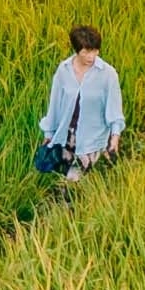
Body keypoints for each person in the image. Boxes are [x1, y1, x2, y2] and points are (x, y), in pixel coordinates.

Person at [40, 24, 124, 182]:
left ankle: (69, 200)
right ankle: (71, 200)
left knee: (73, 178)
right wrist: (49, 134)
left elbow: (115, 109)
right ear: (77, 50)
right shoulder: (63, 70)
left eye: (95, 51)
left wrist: (114, 139)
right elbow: (55, 105)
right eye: (86, 52)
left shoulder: (108, 74)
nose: (91, 57)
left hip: (92, 138)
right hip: (67, 135)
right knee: (63, 172)